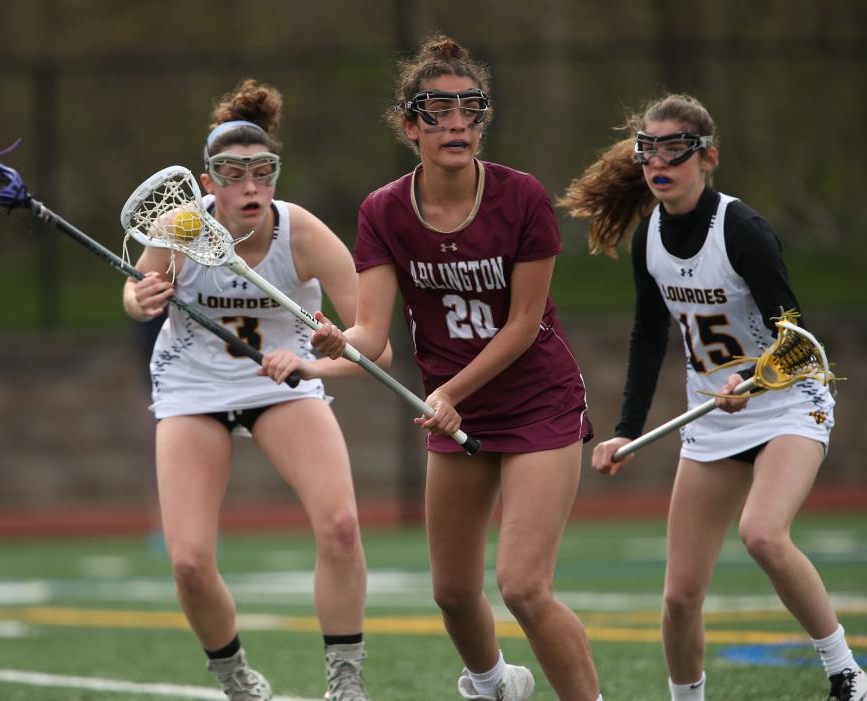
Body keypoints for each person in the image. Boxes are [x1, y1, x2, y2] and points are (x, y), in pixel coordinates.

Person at [309, 35, 603, 701]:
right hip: (456, 408)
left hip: (538, 400)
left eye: (470, 109)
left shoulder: (522, 198)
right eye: (436, 112)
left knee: (524, 585)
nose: (456, 124)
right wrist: (336, 342)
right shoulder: (382, 211)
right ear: (409, 126)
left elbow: (524, 325)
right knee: (451, 591)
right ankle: (497, 685)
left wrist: (449, 389)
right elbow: (371, 330)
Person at [558, 93, 864, 701]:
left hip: (787, 402)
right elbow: (649, 337)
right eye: (649, 149)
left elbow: (795, 337)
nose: (659, 161)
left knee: (763, 534)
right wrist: (625, 429)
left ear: (707, 157)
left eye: (675, 148)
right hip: (714, 420)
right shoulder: (650, 238)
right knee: (678, 595)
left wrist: (751, 381)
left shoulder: (743, 230)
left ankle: (847, 674)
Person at [123, 78, 387, 701]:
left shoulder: (304, 235)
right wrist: (141, 299)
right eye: (232, 173)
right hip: (193, 388)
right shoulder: (180, 226)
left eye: (262, 171)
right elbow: (135, 294)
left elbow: (373, 346)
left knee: (343, 525)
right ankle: (236, 678)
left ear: (275, 174)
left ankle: (345, 683)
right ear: (208, 180)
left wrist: (317, 360)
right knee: (188, 560)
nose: (250, 187)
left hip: (285, 386)